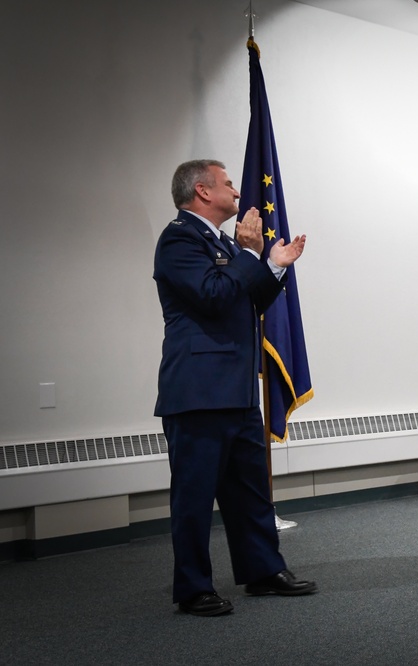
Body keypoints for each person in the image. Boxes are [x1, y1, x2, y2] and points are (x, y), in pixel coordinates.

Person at [153, 159, 316, 616]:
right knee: (195, 498)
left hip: (238, 391)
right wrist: (248, 256)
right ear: (202, 191)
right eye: (228, 184)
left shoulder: (223, 242)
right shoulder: (179, 238)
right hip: (198, 391)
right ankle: (192, 589)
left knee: (250, 491)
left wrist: (274, 267)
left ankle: (263, 571)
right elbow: (212, 295)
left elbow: (244, 302)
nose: (238, 193)